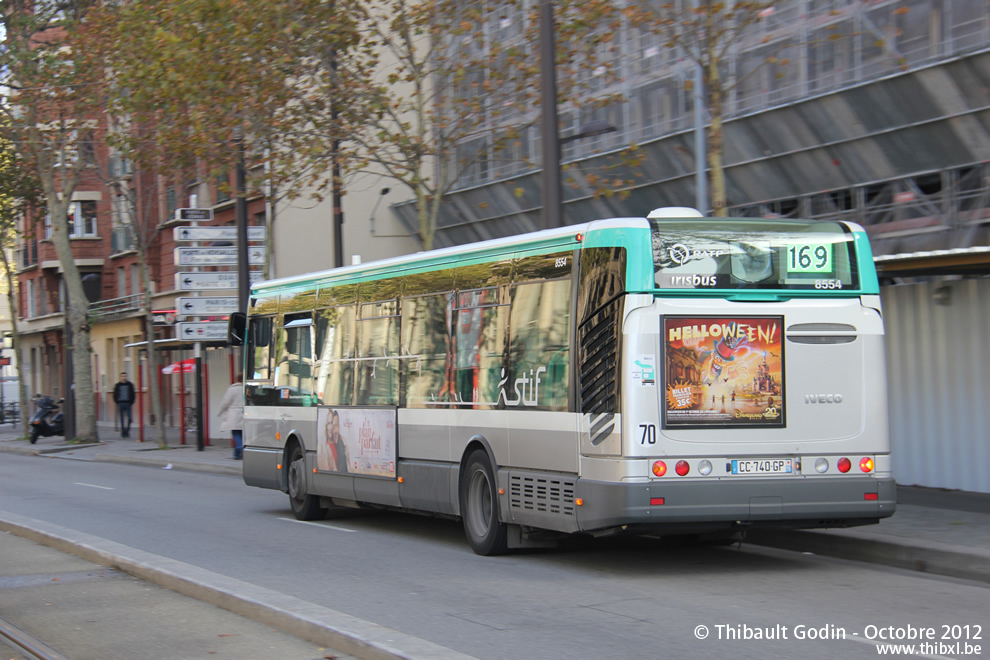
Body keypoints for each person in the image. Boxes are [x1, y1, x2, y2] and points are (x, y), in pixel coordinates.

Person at [217, 374, 244, 460]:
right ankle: (236, 455)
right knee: (242, 434)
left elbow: (225, 402)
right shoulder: (246, 388)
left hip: (234, 414)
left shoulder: (232, 389)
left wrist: (219, 412)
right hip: (245, 414)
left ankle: (239, 448)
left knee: (236, 433)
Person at [324, 409, 349, 473]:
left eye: (336, 425)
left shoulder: (342, 441)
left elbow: (348, 465)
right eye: (332, 425)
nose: (334, 431)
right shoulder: (327, 447)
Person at [113, 372, 136, 438]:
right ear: (120, 377)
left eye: (125, 376)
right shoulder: (118, 385)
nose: (124, 377)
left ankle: (127, 430)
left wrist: (131, 401)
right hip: (120, 403)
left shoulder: (130, 385)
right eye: (122, 376)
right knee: (122, 419)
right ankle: (123, 432)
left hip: (128, 403)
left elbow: (133, 394)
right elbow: (115, 394)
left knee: (130, 418)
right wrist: (117, 401)